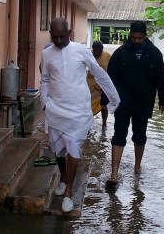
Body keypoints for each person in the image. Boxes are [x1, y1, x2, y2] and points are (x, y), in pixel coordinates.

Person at [40, 17, 120, 213]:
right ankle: (63, 177)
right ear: (51, 34)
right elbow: (44, 79)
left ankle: (68, 193)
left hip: (77, 112)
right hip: (56, 110)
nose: (58, 41)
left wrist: (114, 98)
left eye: (62, 36)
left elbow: (100, 74)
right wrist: (44, 103)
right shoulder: (46, 54)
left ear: (70, 33)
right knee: (58, 151)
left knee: (73, 149)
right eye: (54, 37)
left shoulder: (81, 51)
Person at [103, 20, 164, 187]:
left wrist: (163, 99)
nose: (137, 41)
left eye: (140, 38)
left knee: (139, 136)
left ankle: (137, 166)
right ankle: (114, 174)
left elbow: (160, 79)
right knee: (119, 135)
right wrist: (105, 100)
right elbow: (109, 79)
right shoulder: (120, 54)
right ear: (130, 36)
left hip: (144, 101)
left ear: (145, 36)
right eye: (134, 38)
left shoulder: (155, 54)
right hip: (123, 101)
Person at [86, 41, 111, 128]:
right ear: (92, 50)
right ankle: (88, 123)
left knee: (104, 106)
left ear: (102, 50)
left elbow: (111, 71)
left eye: (99, 52)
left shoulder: (107, 56)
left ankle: (104, 123)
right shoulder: (88, 55)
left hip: (103, 85)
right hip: (91, 84)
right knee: (88, 105)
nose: (97, 53)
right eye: (95, 51)